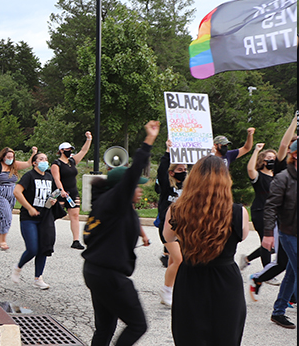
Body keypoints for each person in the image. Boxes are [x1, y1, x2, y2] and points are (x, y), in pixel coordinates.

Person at [80, 121, 158, 346]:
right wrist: (149, 140)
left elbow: (93, 235)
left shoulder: (107, 205)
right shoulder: (115, 200)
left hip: (96, 272)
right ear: (123, 187)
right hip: (109, 276)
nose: (140, 188)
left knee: (105, 328)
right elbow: (133, 173)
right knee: (138, 324)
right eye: (136, 185)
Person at [163, 156, 249, 345]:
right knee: (226, 336)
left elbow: (168, 238)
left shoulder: (177, 210)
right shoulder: (238, 212)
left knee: (189, 336)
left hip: (191, 278)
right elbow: (242, 237)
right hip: (226, 281)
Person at [262, 138, 298, 329]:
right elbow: (270, 208)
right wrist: (268, 233)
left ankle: (278, 312)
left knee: (292, 273)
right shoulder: (283, 178)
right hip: (289, 233)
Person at [11, 152, 55, 289]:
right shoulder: (29, 176)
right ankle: (18, 267)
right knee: (32, 249)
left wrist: (52, 200)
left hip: (45, 218)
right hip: (28, 218)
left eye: (46, 159)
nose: (44, 161)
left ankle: (38, 278)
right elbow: (17, 192)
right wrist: (29, 208)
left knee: (44, 248)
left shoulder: (49, 176)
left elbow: (50, 194)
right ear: (34, 162)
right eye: (41, 159)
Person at [156, 140, 187, 307]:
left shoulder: (187, 186)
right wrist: (167, 152)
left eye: (185, 170)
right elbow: (162, 171)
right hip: (167, 226)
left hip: (183, 227)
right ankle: (167, 290)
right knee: (179, 260)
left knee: (174, 261)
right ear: (172, 172)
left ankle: (169, 289)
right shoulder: (167, 186)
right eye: (180, 170)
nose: (183, 172)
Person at [0, 146, 36, 250]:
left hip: (12, 193)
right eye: (8, 157)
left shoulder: (14, 165)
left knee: (3, 217)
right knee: (7, 215)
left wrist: (33, 153)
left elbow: (28, 163)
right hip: (0, 193)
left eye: (12, 157)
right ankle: (3, 240)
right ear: (3, 157)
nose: (10, 159)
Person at [239, 144, 278, 273]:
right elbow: (250, 168)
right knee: (266, 243)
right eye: (269, 157)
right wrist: (256, 150)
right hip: (261, 211)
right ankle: (267, 273)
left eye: (274, 158)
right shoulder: (258, 176)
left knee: (275, 245)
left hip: (275, 213)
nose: (271, 160)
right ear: (263, 160)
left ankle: (247, 259)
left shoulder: (277, 176)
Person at [50, 132, 93, 250]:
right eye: (68, 149)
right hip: (60, 192)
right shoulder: (56, 163)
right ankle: (44, 235)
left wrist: (88, 139)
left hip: (72, 192)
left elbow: (83, 152)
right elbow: (56, 178)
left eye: (71, 149)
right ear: (62, 150)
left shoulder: (72, 161)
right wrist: (61, 191)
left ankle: (76, 240)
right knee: (54, 215)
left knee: (74, 215)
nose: (70, 151)